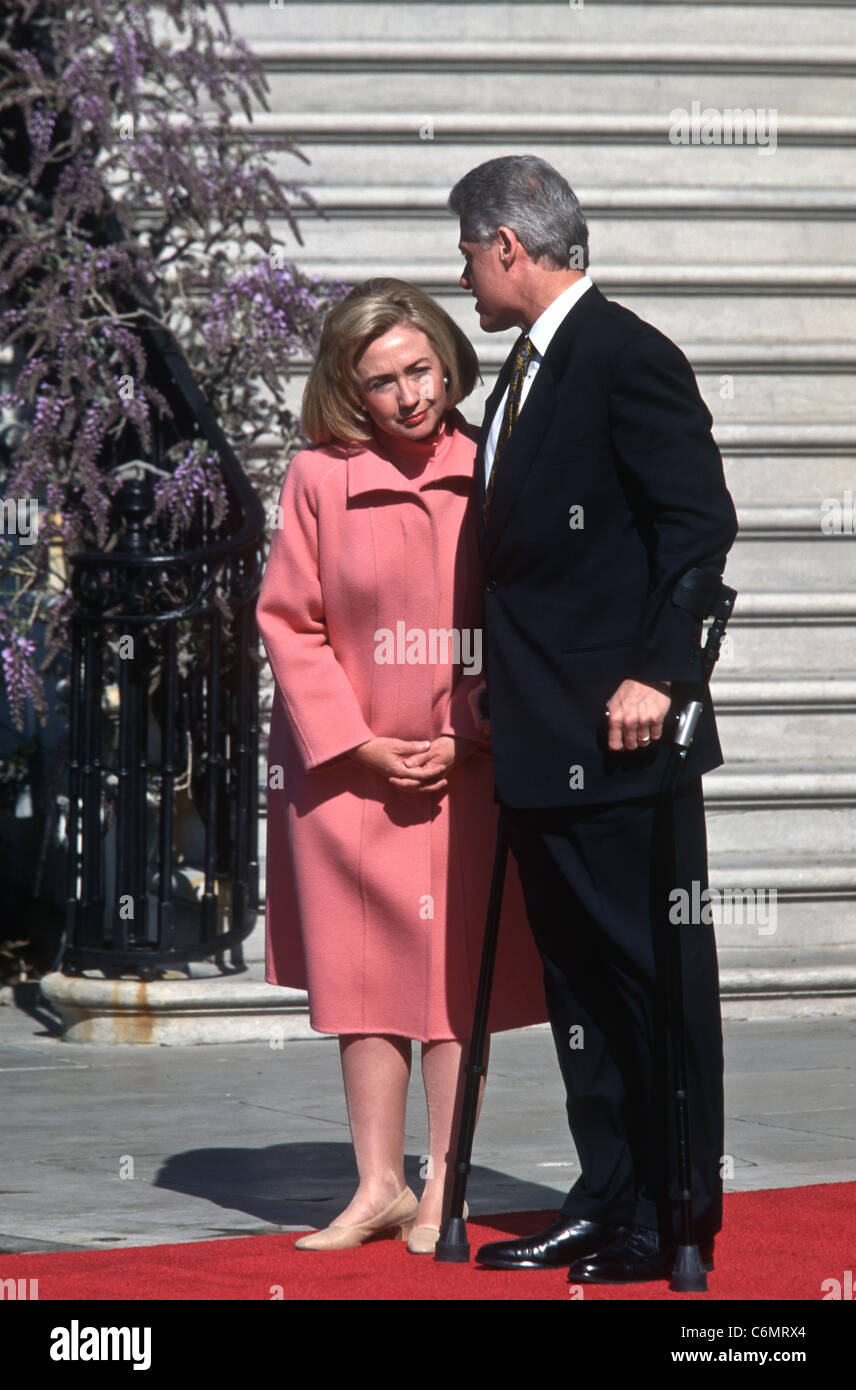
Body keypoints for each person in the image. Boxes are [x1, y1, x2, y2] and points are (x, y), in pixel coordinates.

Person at [447, 155, 738, 1283]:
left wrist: (660, 675)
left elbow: (698, 529)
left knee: (648, 981)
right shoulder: (523, 372)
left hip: (621, 747)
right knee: (579, 989)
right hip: (538, 739)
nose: (464, 276)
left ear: (509, 246)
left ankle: (678, 1211)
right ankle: (607, 1199)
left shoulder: (625, 356)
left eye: (469, 253)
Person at [256, 278, 546, 1254]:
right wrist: (354, 741)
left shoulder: (495, 464)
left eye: (419, 368)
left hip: (467, 761)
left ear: (446, 360)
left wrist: (472, 725)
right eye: (382, 381)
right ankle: (376, 1184)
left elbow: (519, 614)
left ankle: (442, 1189)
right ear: (349, 388)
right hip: (348, 770)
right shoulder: (316, 478)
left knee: (451, 977)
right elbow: (291, 623)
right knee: (364, 977)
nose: (410, 394)